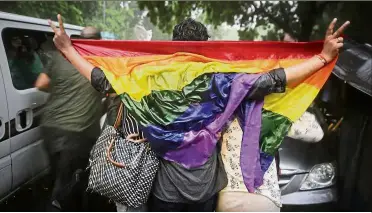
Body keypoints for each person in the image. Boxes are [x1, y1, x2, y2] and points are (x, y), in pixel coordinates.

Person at [48, 14, 349, 211]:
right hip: (205, 193)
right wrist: (322, 57)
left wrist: (68, 49)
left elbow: (102, 79)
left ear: (171, 46)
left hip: (163, 194)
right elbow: (275, 80)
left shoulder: (148, 80)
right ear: (207, 48)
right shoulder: (221, 82)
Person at [35, 27, 103, 211]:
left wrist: (64, 90)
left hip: (49, 128)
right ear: (99, 40)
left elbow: (41, 83)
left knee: (59, 176)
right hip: (76, 134)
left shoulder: (60, 55)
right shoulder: (100, 62)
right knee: (67, 190)